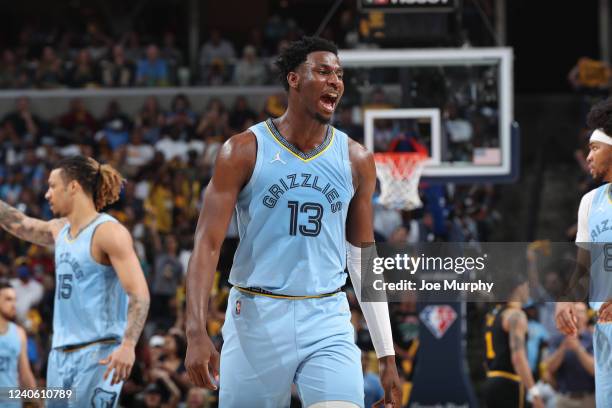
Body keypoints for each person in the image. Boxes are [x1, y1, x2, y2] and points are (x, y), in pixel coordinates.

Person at [184, 36, 401, 407]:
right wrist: (195, 330)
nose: (335, 80)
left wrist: (387, 355)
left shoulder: (357, 159)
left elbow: (363, 257)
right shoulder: (242, 151)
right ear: (293, 80)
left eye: (339, 74)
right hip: (256, 315)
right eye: (323, 71)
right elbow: (207, 245)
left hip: (327, 316)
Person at [0, 155, 150, 407]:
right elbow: (20, 224)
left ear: (73, 187)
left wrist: (128, 345)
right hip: (59, 354)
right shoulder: (59, 229)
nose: (47, 194)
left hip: (99, 351)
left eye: (52, 186)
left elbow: (140, 294)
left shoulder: (108, 232)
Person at [556, 96, 612, 407]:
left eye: (595, 148)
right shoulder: (590, 202)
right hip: (605, 331)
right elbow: (582, 268)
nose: (588, 157)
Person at [484, 278, 544, 408]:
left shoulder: (493, 314)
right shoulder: (516, 315)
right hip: (509, 381)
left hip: (491, 380)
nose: (528, 291)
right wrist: (534, 393)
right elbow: (518, 358)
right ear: (519, 287)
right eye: (527, 286)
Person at [545, 302, 595, 407]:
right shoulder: (557, 339)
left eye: (581, 312)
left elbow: (595, 370)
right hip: (564, 398)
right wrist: (563, 348)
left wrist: (578, 348)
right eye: (574, 311)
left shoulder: (593, 338)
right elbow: (549, 368)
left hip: (589, 399)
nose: (577, 315)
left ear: (587, 316)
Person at [0, 279, 36, 406]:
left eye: (15, 299)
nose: (14, 304)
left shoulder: (19, 333)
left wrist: (37, 402)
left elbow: (25, 374)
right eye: (8, 299)